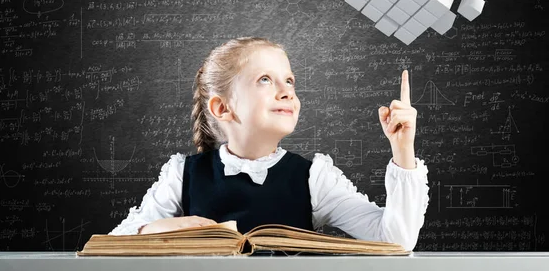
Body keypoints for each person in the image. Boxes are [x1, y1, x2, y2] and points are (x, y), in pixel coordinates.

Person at [109, 37, 429, 252]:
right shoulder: (182, 174)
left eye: (289, 81)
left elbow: (396, 241)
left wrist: (403, 150)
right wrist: (156, 229)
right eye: (265, 79)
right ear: (223, 108)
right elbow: (110, 245)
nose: (287, 91)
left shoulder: (315, 177)